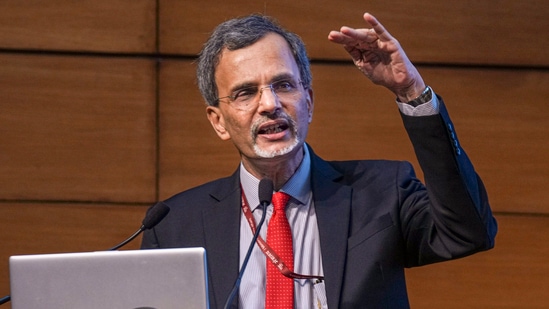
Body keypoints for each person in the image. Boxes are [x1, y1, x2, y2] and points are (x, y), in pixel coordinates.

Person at [141, 12, 497, 309]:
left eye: (283, 85)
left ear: (308, 101)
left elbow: (469, 233)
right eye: (246, 92)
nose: (270, 104)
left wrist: (411, 92)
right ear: (218, 121)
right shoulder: (174, 228)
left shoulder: (383, 193)